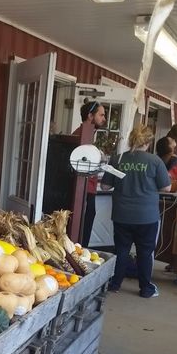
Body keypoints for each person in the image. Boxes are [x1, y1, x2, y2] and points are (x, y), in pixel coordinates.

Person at [101, 125, 172, 298]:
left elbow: (105, 186)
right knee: (145, 253)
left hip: (122, 214)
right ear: (149, 141)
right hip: (146, 216)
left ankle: (115, 284)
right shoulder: (155, 161)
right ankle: (146, 289)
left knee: (121, 250)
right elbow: (167, 187)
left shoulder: (118, 159)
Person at [72, 101, 107, 247]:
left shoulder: (89, 135)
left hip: (89, 188)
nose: (104, 118)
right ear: (90, 116)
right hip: (84, 191)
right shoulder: (82, 136)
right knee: (82, 231)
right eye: (101, 115)